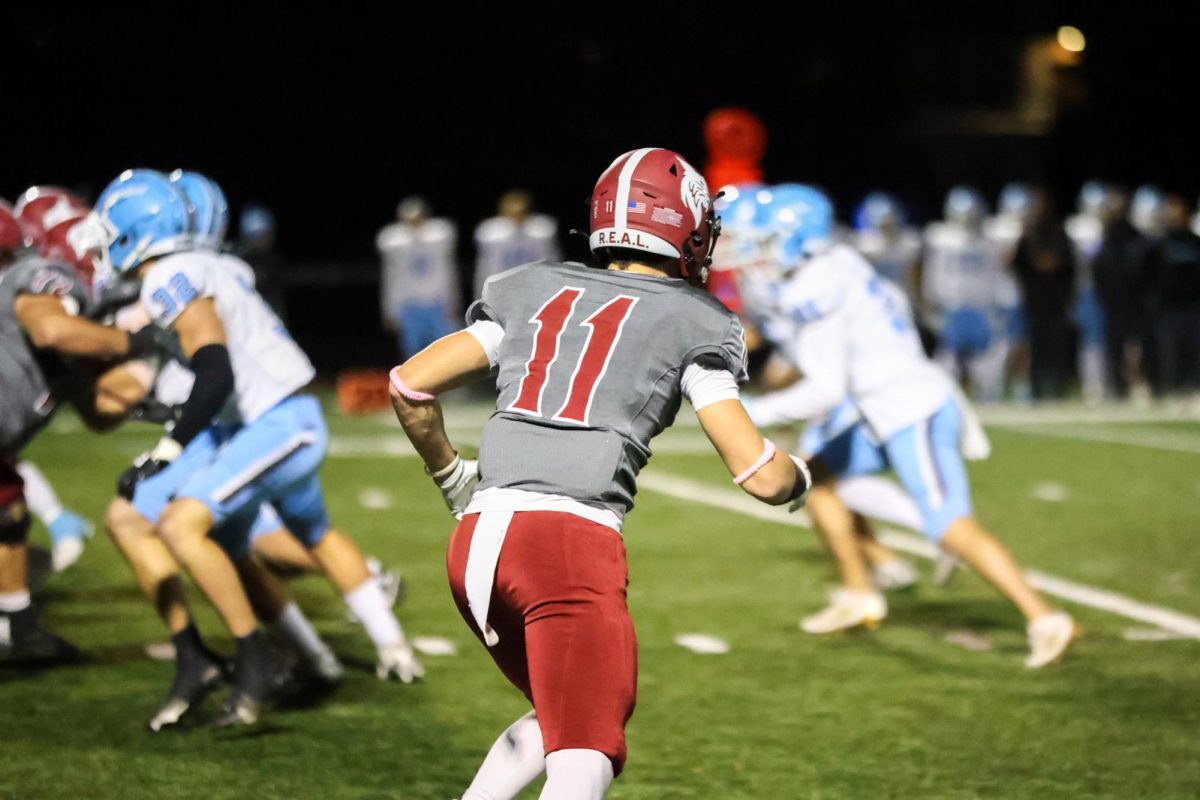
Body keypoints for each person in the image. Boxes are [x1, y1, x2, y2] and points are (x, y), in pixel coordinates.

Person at [389, 147, 812, 799]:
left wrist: (452, 479)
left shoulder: (531, 286)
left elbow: (410, 385)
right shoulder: (695, 318)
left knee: (559, 716)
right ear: (682, 226)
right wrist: (803, 480)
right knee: (584, 757)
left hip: (474, 546)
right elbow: (757, 471)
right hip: (565, 546)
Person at [93, 169, 421, 728]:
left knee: (182, 525)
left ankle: (256, 659)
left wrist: (170, 448)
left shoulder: (171, 274)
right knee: (156, 520)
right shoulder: (218, 266)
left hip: (271, 424)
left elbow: (214, 371)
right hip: (252, 422)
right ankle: (344, 656)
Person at [746, 184, 1075, 667]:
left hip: (909, 409)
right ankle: (859, 592)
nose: (755, 250)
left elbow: (825, 388)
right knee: (812, 478)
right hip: (880, 408)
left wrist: (747, 413)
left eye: (763, 239)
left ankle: (1044, 617)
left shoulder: (816, 285)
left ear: (791, 238)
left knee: (948, 525)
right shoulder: (839, 264)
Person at [1, 196, 161, 663]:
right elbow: (52, 331)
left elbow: (98, 412)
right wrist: (133, 340)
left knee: (9, 506)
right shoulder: (36, 280)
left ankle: (19, 627)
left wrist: (155, 390)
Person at [923, 187, 1021, 402]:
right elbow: (932, 273)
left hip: (981, 308)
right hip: (953, 307)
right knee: (947, 362)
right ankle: (940, 402)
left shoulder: (989, 237)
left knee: (987, 361)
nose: (969, 220)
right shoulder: (941, 238)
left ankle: (988, 400)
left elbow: (997, 269)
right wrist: (932, 303)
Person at [1011, 187, 1077, 399]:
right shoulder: (1027, 235)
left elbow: (1069, 265)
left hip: (1056, 300)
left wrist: (1053, 265)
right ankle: (1038, 387)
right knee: (1037, 346)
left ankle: (1057, 386)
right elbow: (1017, 265)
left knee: (1057, 345)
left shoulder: (1059, 233)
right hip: (1035, 300)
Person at [377, 196, 459, 360]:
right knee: (413, 354)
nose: (415, 223)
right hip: (410, 305)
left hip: (437, 302)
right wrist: (389, 309)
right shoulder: (395, 242)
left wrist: (453, 301)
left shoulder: (438, 235)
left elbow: (448, 271)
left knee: (446, 352)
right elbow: (391, 278)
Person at [1092, 188, 1153, 400]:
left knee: (1141, 347)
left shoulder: (1138, 239)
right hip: (1114, 303)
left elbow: (1148, 270)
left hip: (1136, 302)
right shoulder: (1106, 239)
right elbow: (1098, 272)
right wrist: (1105, 297)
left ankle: (1145, 385)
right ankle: (1117, 388)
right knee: (1115, 349)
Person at [1140, 193, 1200, 396]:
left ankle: (1193, 389)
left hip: (1193, 306)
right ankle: (1168, 390)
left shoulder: (1195, 242)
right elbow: (1147, 275)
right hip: (1167, 308)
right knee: (1168, 353)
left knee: (1194, 351)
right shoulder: (1158, 244)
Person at [1065, 181, 1112, 403]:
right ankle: (1092, 385)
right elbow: (1087, 259)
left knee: (1104, 340)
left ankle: (1106, 382)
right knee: (1091, 340)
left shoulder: (1109, 226)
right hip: (1086, 289)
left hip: (1107, 291)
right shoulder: (1077, 228)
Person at [473, 189, 560, 299]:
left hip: (534, 285)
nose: (517, 217)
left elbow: (551, 260)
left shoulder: (542, 230)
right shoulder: (490, 233)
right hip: (501, 285)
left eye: (521, 212)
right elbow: (485, 268)